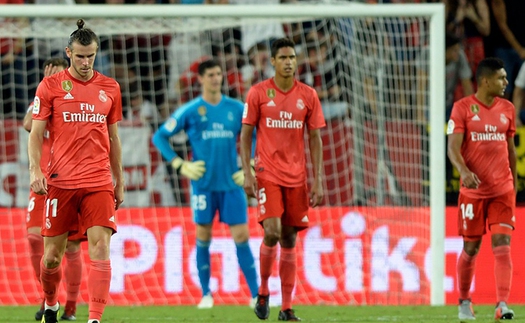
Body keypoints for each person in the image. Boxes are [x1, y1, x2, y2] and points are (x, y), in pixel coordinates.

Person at [28, 19, 124, 323]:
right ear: (69, 52)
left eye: (91, 56)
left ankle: (94, 318)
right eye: (80, 55)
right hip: (61, 182)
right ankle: (52, 303)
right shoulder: (51, 87)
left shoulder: (110, 87)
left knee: (100, 246)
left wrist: (119, 180)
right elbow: (34, 132)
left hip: (98, 182)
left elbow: (114, 137)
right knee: (52, 257)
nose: (86, 62)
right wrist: (35, 171)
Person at [152, 59, 259, 309]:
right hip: (202, 184)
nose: (215, 78)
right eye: (210, 74)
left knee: (242, 235)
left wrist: (250, 166)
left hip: (231, 183)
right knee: (203, 235)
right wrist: (180, 164)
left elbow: (255, 135)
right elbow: (160, 136)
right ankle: (206, 294)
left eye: (219, 74)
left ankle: (256, 295)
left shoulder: (235, 108)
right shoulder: (191, 110)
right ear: (200, 79)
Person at [240, 37, 325, 322]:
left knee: (289, 239)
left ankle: (286, 308)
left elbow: (315, 138)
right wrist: (248, 172)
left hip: (297, 176)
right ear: (273, 62)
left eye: (292, 57)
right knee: (273, 232)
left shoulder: (308, 95)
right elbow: (246, 134)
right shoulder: (258, 93)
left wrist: (319, 179)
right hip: (268, 173)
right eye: (283, 58)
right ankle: (263, 290)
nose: (289, 62)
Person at [446, 57, 517, 321]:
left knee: (502, 243)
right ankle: (464, 302)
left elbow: (509, 149)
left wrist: (514, 182)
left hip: (502, 189)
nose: (505, 82)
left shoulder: (507, 109)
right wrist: (464, 172)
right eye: (501, 78)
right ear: (485, 80)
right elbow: (453, 147)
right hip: (473, 193)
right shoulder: (462, 108)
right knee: (471, 248)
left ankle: (502, 305)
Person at [23, 57, 83, 322]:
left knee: (70, 248)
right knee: (36, 240)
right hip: (42, 181)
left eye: (60, 74)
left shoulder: (79, 100)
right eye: (52, 75)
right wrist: (43, 87)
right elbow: (28, 125)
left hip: (69, 180)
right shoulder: (44, 95)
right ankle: (49, 299)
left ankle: (70, 306)